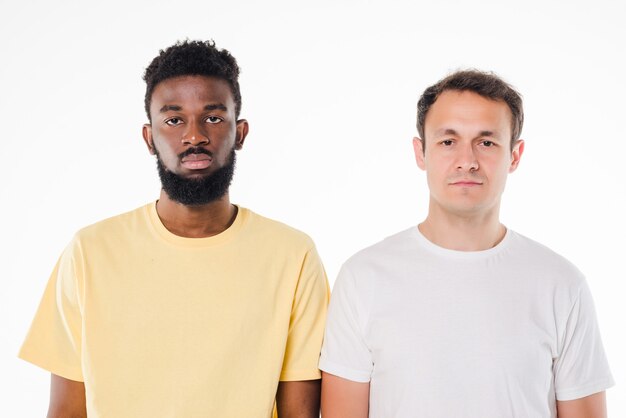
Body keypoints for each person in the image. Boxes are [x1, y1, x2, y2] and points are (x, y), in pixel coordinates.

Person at [19, 40, 329, 418]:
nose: (194, 136)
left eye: (213, 118)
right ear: (150, 138)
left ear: (241, 133)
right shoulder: (90, 251)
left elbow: (301, 413)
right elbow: (67, 411)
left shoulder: (292, 255)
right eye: (174, 119)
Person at [319, 70, 613, 417]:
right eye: (448, 141)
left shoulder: (562, 284)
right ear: (421, 152)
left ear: (514, 156)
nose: (467, 160)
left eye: (486, 142)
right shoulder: (363, 277)